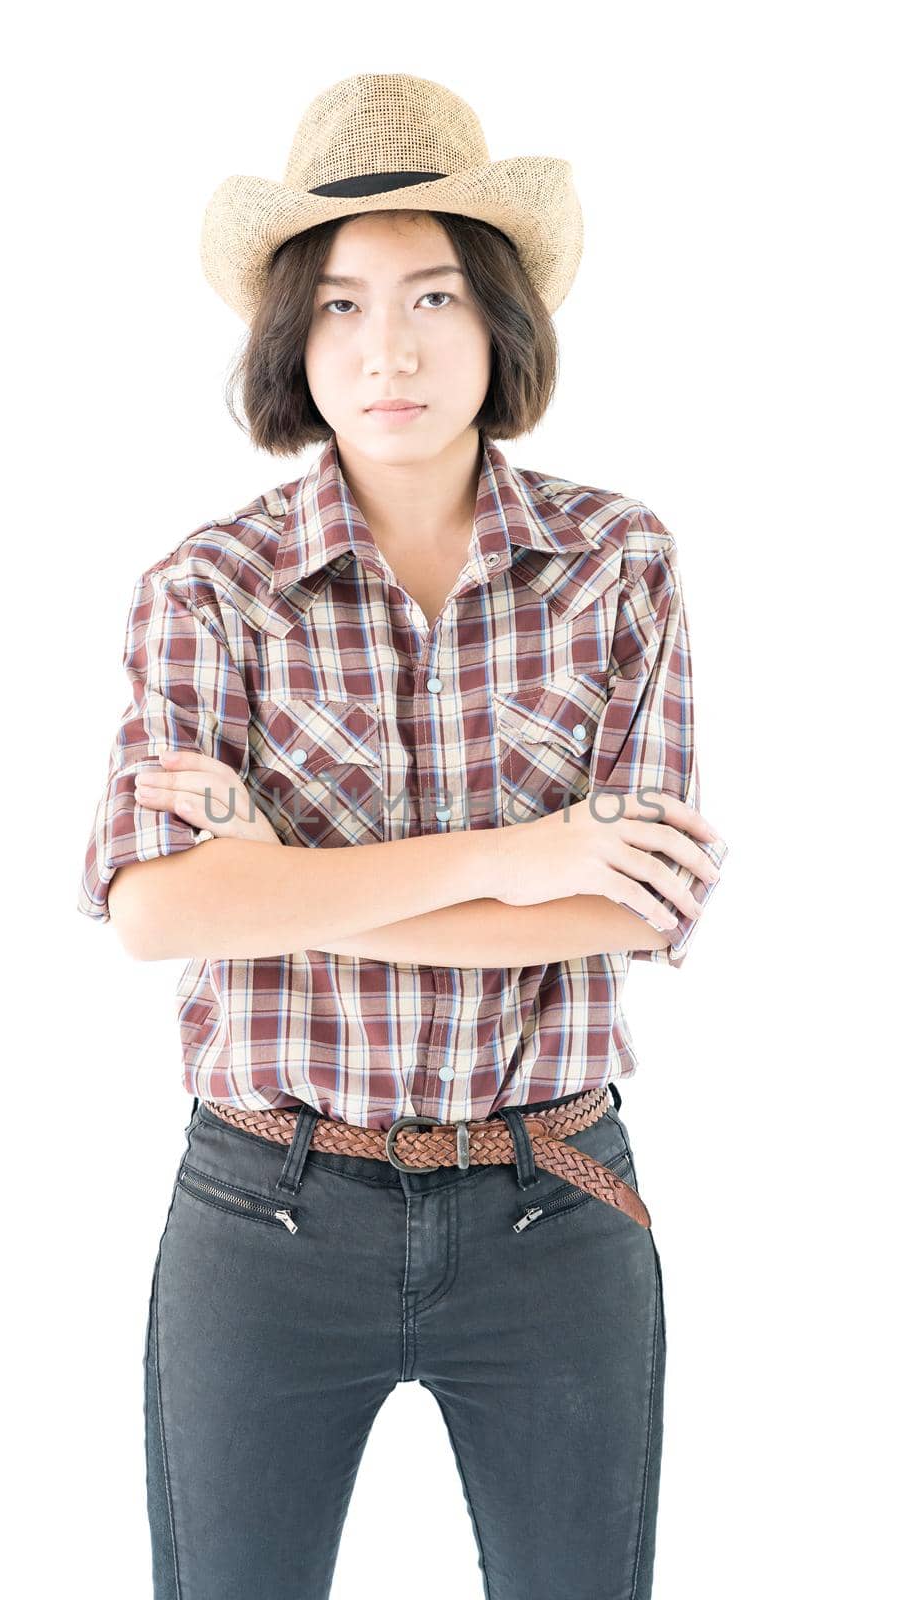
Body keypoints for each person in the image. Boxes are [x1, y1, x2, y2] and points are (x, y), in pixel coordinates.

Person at [77, 72, 729, 1600]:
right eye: (346, 305)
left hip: (555, 1201)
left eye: (435, 294)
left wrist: (275, 885)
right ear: (294, 344)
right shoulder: (207, 589)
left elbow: (635, 906)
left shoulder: (616, 562)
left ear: (499, 319)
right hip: (265, 1209)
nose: (393, 349)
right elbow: (156, 915)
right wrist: (519, 852)